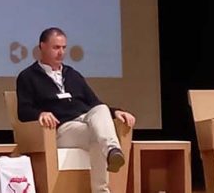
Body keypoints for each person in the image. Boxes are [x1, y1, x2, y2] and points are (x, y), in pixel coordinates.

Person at [16, 27, 135, 193]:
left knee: (101, 110)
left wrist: (115, 112)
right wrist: (40, 114)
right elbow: (23, 111)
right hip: (63, 128)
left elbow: (94, 103)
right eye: (56, 47)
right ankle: (104, 181)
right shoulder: (28, 76)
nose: (61, 52)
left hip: (85, 119)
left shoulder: (72, 74)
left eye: (64, 48)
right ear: (42, 47)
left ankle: (112, 150)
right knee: (97, 135)